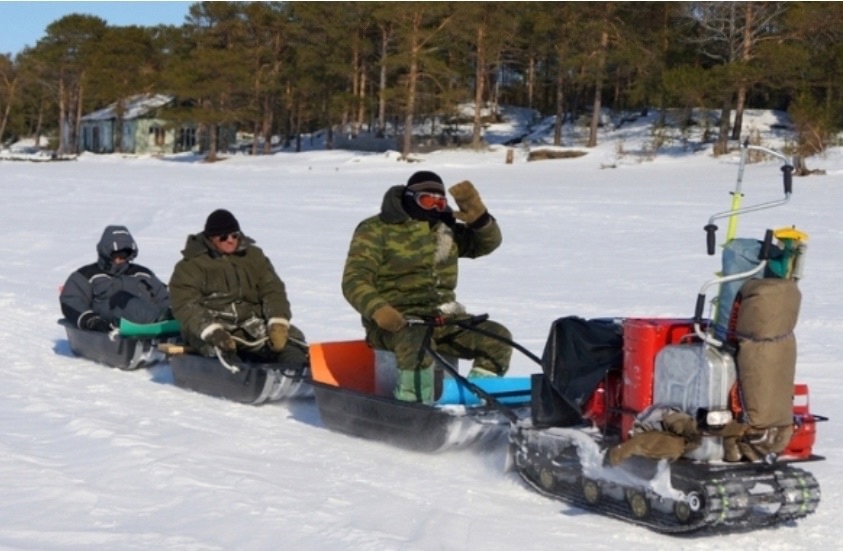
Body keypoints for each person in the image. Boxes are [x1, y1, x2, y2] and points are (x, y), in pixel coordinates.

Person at [342, 171, 512, 403]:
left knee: (498, 338)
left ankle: (475, 399)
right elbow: (355, 279)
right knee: (417, 341)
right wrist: (379, 310)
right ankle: (413, 405)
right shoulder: (376, 229)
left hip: (442, 318)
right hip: (395, 322)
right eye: (427, 201)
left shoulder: (445, 228)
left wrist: (479, 218)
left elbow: (486, 244)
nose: (434, 208)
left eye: (440, 202)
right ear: (411, 198)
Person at [169, 209, 307, 367]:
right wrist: (212, 331)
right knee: (220, 352)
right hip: (212, 326)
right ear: (211, 238)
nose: (230, 240)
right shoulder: (190, 266)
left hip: (251, 323)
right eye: (223, 237)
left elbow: (272, 289)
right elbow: (185, 305)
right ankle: (238, 376)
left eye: (234, 235)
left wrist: (278, 321)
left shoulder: (254, 256)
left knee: (289, 344)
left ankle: (297, 371)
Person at [60, 225, 171, 332]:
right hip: (109, 326)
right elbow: (71, 300)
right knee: (122, 299)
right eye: (115, 254)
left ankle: (170, 322)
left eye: (124, 255)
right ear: (106, 252)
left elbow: (164, 296)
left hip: (150, 323)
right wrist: (91, 320)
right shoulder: (87, 275)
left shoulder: (142, 274)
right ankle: (160, 321)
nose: (119, 259)